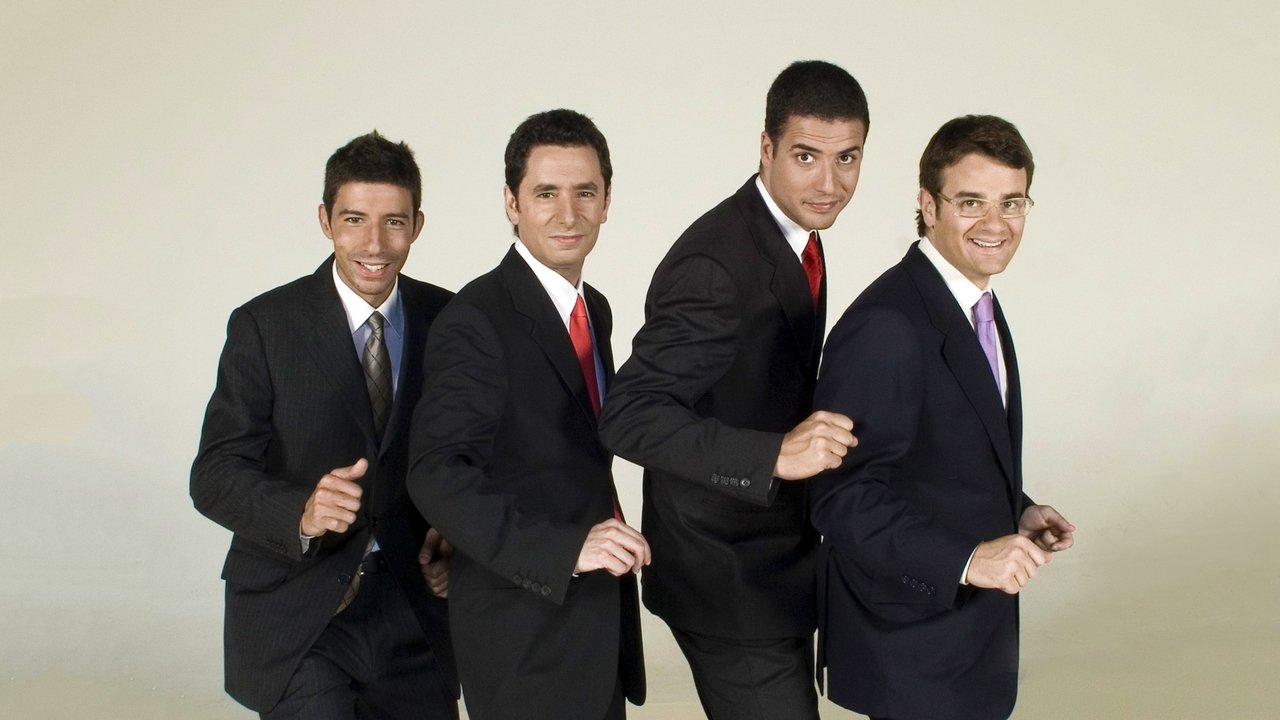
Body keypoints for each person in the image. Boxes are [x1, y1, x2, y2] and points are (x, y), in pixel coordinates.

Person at [597, 60, 866, 720]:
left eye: (847, 158)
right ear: (766, 148)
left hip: (776, 556)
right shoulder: (714, 265)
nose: (829, 183)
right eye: (806, 156)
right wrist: (773, 456)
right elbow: (630, 416)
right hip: (724, 572)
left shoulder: (796, 233)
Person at [810, 115, 1077, 720]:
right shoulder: (888, 324)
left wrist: (1015, 507)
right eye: (971, 202)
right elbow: (841, 497)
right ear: (929, 206)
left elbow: (938, 453)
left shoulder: (976, 302)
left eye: (1012, 203)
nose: (995, 224)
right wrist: (970, 560)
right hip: (911, 646)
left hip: (966, 643)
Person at [190, 131, 458, 719]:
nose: (374, 244)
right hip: (301, 616)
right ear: (325, 220)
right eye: (354, 219)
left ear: (417, 225)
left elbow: (470, 453)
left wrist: (454, 531)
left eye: (393, 222)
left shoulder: (450, 319)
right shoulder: (265, 325)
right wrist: (302, 512)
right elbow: (213, 475)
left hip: (415, 610)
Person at [407, 109, 647, 720]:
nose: (568, 214)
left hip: (596, 622)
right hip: (522, 631)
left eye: (584, 192)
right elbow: (436, 472)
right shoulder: (476, 319)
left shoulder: (594, 308)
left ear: (607, 201)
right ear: (512, 203)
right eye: (546, 194)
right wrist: (565, 551)